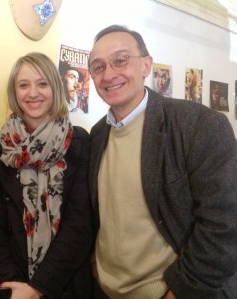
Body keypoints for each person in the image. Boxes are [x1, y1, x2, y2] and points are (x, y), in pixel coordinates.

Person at [88, 25, 237, 299]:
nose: (109, 74)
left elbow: (225, 225)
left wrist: (181, 291)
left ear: (146, 65)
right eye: (98, 67)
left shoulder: (199, 125)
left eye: (120, 60)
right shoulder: (97, 136)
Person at [0, 52, 92, 299]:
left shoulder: (80, 143)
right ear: (14, 92)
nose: (33, 93)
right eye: (23, 85)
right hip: (11, 287)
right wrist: (15, 289)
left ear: (55, 88)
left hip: (65, 284)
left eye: (42, 83)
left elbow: (79, 225)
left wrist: (39, 287)